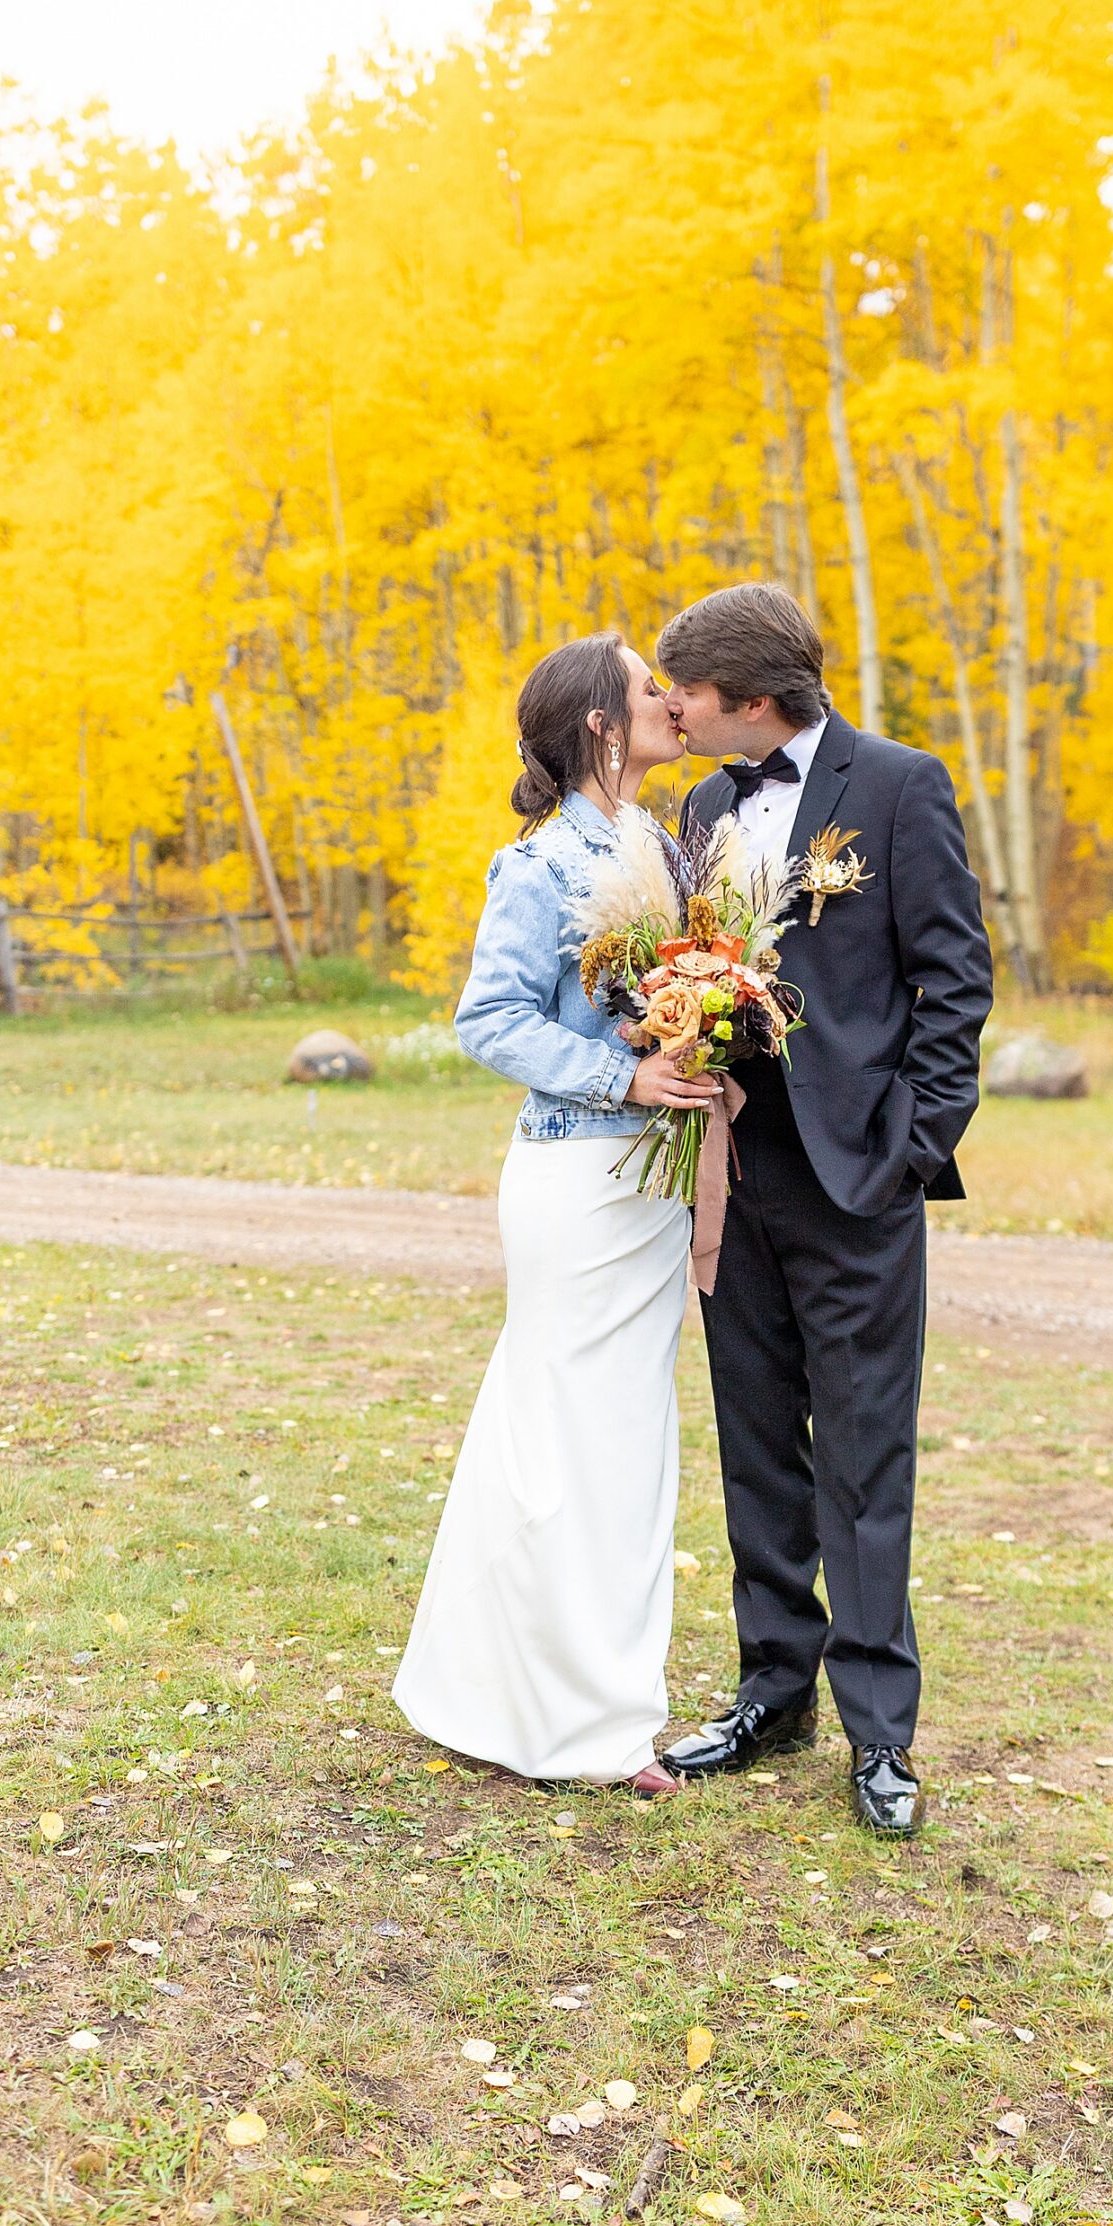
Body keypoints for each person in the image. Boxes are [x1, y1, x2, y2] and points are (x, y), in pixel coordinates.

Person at [656, 583, 993, 1836]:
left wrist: (914, 1145)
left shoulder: (901, 785)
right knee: (756, 1438)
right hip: (731, 1175)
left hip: (860, 1180)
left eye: (696, 696)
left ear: (753, 701)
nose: (679, 714)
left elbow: (953, 981)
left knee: (864, 1454)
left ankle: (881, 1735)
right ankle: (771, 1691)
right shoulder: (700, 805)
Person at [391, 633, 716, 1796]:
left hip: (655, 1187)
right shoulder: (539, 865)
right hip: (579, 1179)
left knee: (615, 1443)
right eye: (648, 691)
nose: (673, 703)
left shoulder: (666, 843)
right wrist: (622, 1074)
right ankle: (591, 1728)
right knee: (575, 1439)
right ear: (598, 724)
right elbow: (489, 1020)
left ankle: (513, 1689)